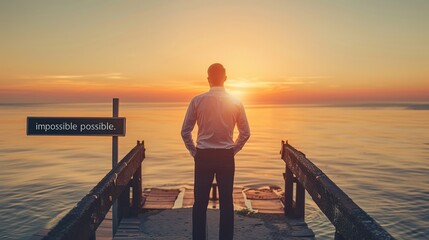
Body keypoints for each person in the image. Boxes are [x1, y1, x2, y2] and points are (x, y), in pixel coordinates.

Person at [181, 63, 251, 240]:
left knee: (200, 203)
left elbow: (185, 131)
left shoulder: (197, 100)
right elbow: (245, 133)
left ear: (208, 79)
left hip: (203, 155)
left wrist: (194, 152)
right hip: (226, 156)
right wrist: (233, 150)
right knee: (227, 203)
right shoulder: (235, 102)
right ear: (225, 79)